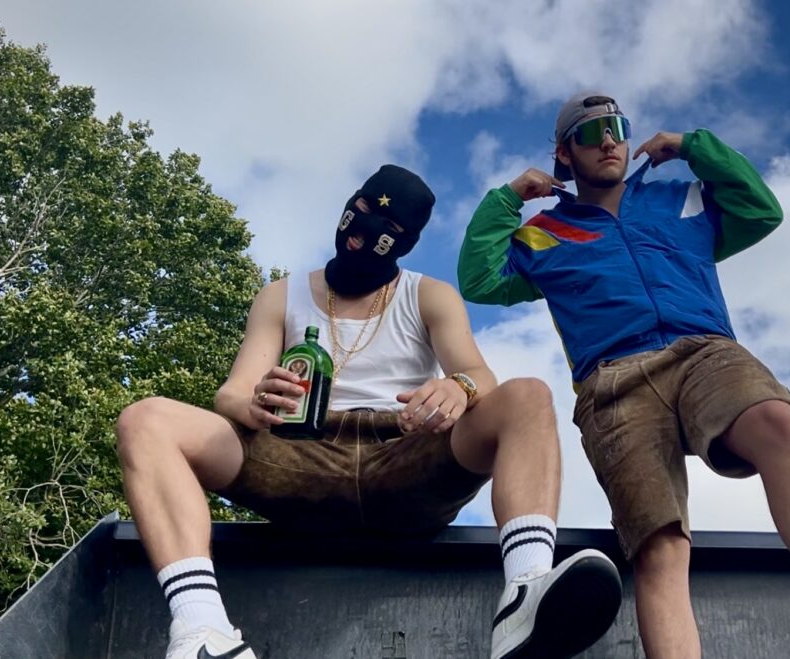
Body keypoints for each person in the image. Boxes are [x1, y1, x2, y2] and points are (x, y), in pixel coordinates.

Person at [457, 92, 790, 659]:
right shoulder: (545, 233)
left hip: (705, 351)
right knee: (660, 544)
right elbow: (481, 279)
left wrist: (693, 146)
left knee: (775, 419)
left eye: (617, 126)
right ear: (564, 153)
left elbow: (761, 211)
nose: (609, 141)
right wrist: (508, 198)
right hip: (613, 381)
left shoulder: (682, 200)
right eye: (590, 133)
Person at [116, 164, 622, 659]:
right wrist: (254, 403)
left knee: (528, 395)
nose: (364, 226)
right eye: (360, 207)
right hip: (297, 457)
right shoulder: (281, 296)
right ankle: (202, 629)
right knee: (146, 420)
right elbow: (231, 394)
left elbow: (478, 373)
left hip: (403, 457)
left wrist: (458, 388)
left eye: (388, 225)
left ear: (406, 242)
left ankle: (526, 591)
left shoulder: (429, 295)